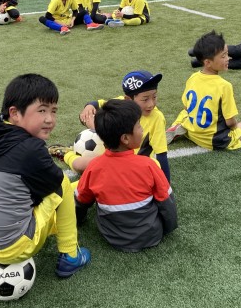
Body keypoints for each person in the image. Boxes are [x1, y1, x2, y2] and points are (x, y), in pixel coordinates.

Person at [0, 73, 90, 278]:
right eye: (42, 110)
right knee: (62, 183)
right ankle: (71, 255)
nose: (50, 119)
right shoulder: (30, 149)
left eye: (53, 111)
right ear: (15, 113)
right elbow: (49, 190)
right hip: (12, 248)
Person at [74, 99, 178, 252]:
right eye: (138, 125)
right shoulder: (148, 165)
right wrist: (168, 228)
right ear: (125, 138)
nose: (142, 129)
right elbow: (167, 203)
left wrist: (79, 221)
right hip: (152, 235)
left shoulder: (94, 167)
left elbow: (81, 202)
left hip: (112, 237)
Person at [51, 70, 171, 182]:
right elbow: (99, 103)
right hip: (113, 158)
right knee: (79, 165)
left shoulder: (157, 118)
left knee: (154, 164)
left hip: (136, 166)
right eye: (145, 99)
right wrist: (89, 106)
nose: (151, 104)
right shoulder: (120, 105)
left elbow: (161, 154)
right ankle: (67, 154)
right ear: (128, 100)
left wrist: (166, 185)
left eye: (154, 97)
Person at [167, 31, 241, 150]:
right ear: (208, 62)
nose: (228, 58)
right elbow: (230, 122)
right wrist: (236, 129)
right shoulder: (224, 86)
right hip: (214, 139)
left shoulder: (192, 77)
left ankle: (180, 125)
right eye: (223, 56)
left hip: (192, 132)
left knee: (185, 114)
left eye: (227, 54)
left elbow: (186, 107)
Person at [38, 0, 104, 36]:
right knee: (42, 18)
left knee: (84, 12)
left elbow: (75, 11)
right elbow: (48, 15)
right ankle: (61, 28)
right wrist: (61, 24)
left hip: (68, 20)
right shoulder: (55, 0)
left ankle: (90, 24)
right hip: (57, 22)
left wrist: (72, 21)